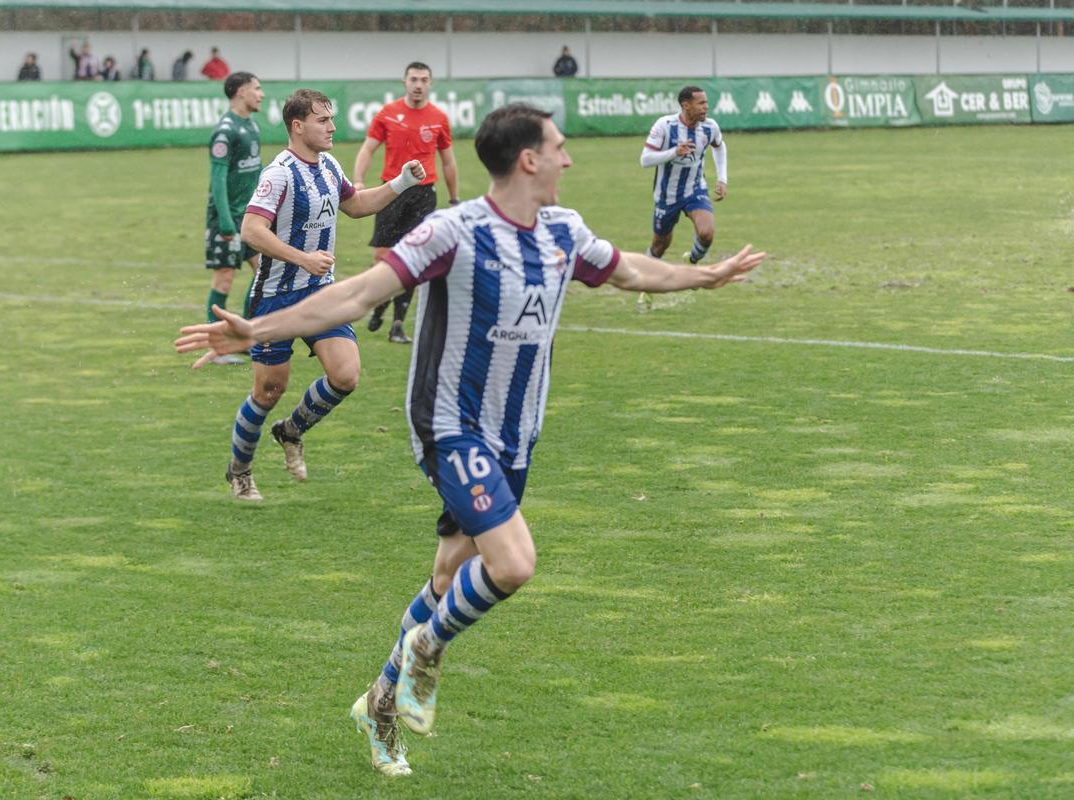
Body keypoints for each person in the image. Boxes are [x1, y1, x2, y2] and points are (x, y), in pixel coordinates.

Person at [174, 103, 765, 775]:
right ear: (529, 159)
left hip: (517, 436)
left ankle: (380, 705)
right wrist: (261, 329)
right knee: (512, 563)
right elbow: (357, 294)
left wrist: (706, 276)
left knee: (450, 575)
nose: (569, 159)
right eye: (560, 148)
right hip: (451, 426)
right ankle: (426, 651)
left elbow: (631, 269)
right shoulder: (451, 232)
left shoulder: (564, 231)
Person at [204, 88, 425, 501]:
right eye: (323, 120)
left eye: (331, 119)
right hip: (275, 296)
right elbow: (252, 230)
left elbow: (356, 205)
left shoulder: (328, 166)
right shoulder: (279, 174)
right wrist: (302, 258)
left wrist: (401, 182)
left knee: (346, 375)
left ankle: (291, 431)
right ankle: (240, 470)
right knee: (269, 390)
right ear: (297, 126)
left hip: (321, 292)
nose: (332, 127)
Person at [352, 61, 459, 344]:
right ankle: (380, 304)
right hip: (392, 191)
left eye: (424, 79)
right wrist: (359, 180)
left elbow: (448, 161)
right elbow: (367, 148)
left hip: (423, 195)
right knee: (382, 258)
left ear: (430, 84)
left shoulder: (439, 117)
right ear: (404, 81)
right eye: (414, 79)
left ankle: (397, 323)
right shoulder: (388, 114)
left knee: (414, 258)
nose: (418, 84)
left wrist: (454, 197)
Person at [637, 84, 728, 308]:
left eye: (706, 102)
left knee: (706, 233)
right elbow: (645, 159)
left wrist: (722, 178)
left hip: (695, 189)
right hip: (666, 195)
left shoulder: (710, 127)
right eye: (701, 103)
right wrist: (673, 152)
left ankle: (692, 260)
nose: (706, 107)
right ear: (685, 105)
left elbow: (719, 146)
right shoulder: (665, 126)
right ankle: (646, 288)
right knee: (660, 245)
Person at [202, 72, 266, 366]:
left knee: (263, 274)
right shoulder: (226, 131)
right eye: (257, 88)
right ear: (241, 92)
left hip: (249, 219)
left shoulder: (251, 125)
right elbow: (217, 181)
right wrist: (226, 223)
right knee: (225, 279)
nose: (261, 94)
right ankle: (216, 348)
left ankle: (243, 337)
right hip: (227, 219)